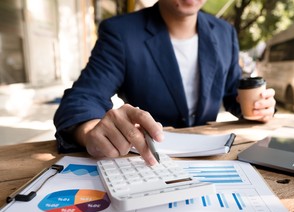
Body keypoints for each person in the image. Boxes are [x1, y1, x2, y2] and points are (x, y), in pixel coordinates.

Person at [54, 0, 276, 165]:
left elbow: (231, 94)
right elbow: (82, 98)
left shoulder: (225, 32)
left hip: (213, 157)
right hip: (146, 160)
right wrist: (90, 131)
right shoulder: (121, 32)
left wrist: (259, 108)